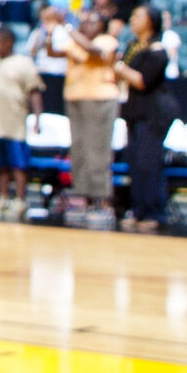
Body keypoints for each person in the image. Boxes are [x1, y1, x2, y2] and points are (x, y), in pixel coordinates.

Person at [114, 5, 175, 233]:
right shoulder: (133, 46)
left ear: (152, 21)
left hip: (153, 114)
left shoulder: (158, 51)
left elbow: (141, 80)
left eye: (138, 15)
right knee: (135, 163)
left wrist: (117, 66)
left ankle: (155, 213)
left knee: (149, 164)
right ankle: (138, 210)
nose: (133, 18)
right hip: (134, 112)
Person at [0, 25, 43, 221]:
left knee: (18, 164)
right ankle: (3, 197)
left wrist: (38, 117)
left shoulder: (23, 63)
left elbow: (34, 91)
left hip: (14, 125)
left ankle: (20, 200)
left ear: (8, 42)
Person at [59, 18, 121, 222]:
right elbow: (53, 52)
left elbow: (93, 50)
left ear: (101, 25)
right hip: (75, 97)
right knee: (79, 151)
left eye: (93, 21)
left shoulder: (106, 40)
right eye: (85, 22)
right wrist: (50, 31)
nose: (88, 25)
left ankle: (101, 201)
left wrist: (66, 26)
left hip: (100, 98)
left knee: (98, 150)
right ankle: (83, 197)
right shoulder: (75, 40)